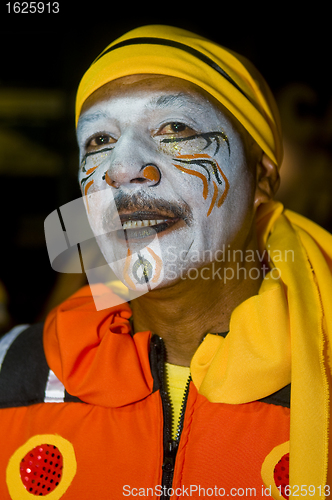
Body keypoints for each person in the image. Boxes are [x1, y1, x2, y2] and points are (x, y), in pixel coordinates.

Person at [1, 25, 332, 500]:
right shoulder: (13, 373)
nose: (121, 167)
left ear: (261, 176)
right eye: (98, 140)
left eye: (175, 128)